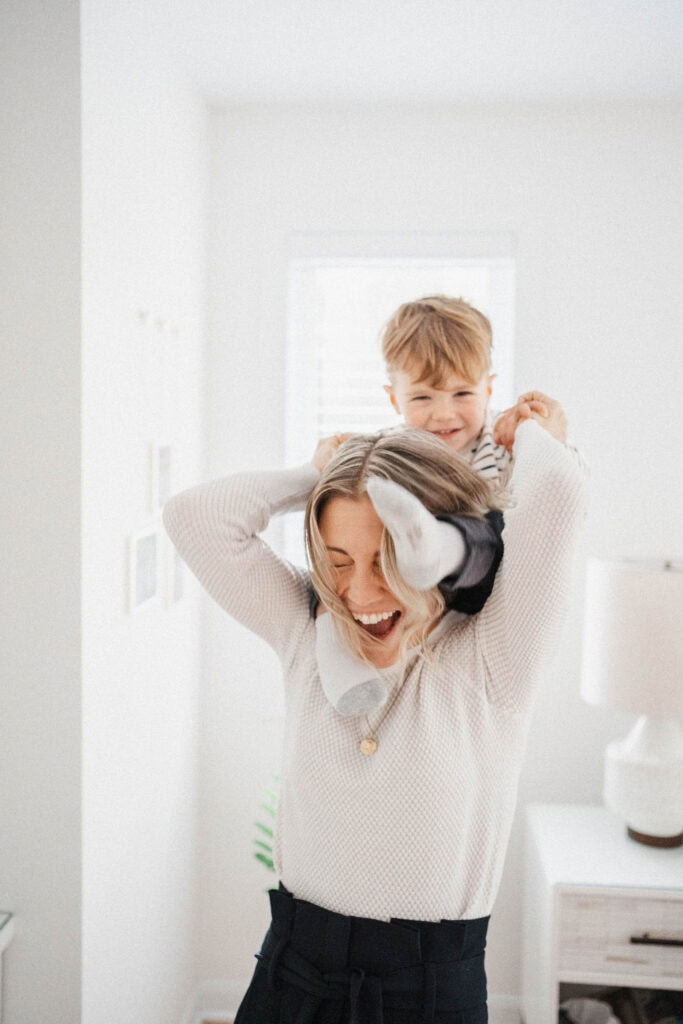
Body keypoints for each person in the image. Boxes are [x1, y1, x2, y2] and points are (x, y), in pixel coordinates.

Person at [163, 400, 587, 1024]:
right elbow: (194, 518)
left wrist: (526, 430)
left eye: (387, 561)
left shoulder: (495, 655)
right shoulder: (306, 629)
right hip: (293, 971)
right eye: (338, 563)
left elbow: (555, 491)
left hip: (430, 993)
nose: (359, 594)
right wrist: (324, 474)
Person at [315, 295, 556, 717]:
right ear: (394, 399)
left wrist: (542, 437)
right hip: (407, 587)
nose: (444, 414)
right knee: (333, 574)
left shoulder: (499, 447)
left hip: (477, 575)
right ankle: (342, 674)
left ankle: (436, 547)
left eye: (462, 393)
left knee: (486, 528)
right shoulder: (393, 450)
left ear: (489, 389)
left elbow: (560, 492)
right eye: (423, 398)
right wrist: (332, 457)